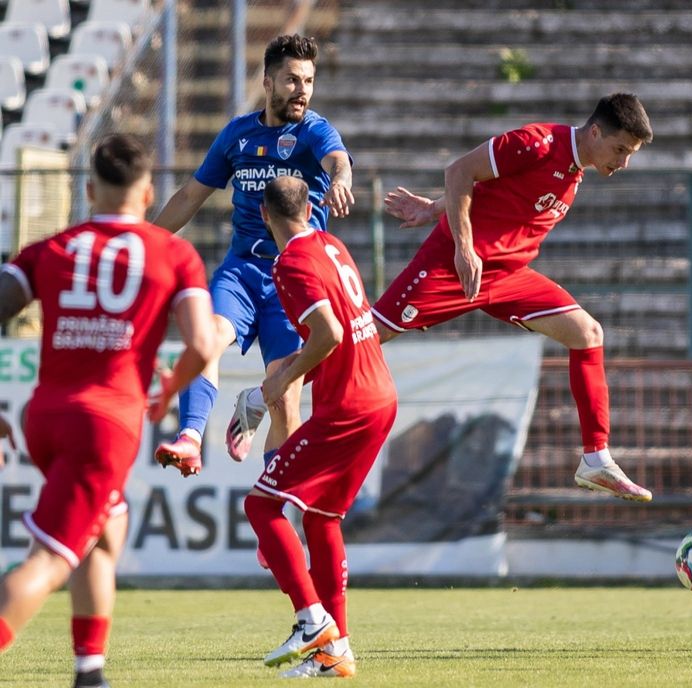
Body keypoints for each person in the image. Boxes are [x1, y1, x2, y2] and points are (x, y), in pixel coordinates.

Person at [233, 93, 655, 501]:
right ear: (596, 133)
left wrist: (435, 209)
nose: (624, 162)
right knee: (362, 337)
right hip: (455, 267)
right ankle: (258, 398)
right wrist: (463, 247)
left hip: (506, 275)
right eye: (620, 149)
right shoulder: (537, 143)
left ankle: (595, 459)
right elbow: (459, 172)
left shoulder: (574, 169)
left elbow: (499, 197)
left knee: (587, 332)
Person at [0, 134, 215, 688]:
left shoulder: (51, 248)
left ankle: (89, 671)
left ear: (90, 189)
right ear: (148, 195)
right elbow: (202, 345)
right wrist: (168, 393)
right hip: (105, 425)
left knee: (105, 528)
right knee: (48, 561)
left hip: (44, 417)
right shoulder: (173, 254)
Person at [152, 34, 355, 479]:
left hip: (296, 281)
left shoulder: (315, 131)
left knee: (286, 400)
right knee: (206, 338)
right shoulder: (237, 134)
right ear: (267, 82)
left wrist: (341, 179)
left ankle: (277, 504)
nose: (301, 89)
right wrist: (146, 242)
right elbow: (190, 196)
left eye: (308, 80)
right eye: (291, 80)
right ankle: (190, 437)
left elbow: (338, 160)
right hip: (242, 273)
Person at [244, 176, 396, 679]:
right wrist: (271, 385)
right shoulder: (332, 244)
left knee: (261, 504)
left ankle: (311, 621)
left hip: (348, 406)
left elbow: (329, 333)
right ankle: (337, 651)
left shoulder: (289, 262)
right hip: (379, 396)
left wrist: (283, 378)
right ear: (310, 208)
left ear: (264, 215)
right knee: (321, 519)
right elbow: (338, 331)